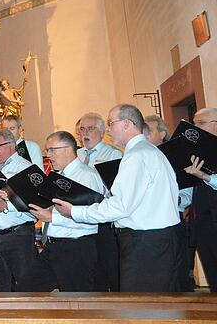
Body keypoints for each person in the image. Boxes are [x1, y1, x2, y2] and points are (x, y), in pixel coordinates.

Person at [53, 104, 180, 292]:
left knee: (141, 307)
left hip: (145, 242)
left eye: (111, 123)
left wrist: (75, 211)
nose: (109, 130)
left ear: (127, 124)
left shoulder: (137, 156)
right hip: (160, 238)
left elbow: (120, 206)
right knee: (157, 304)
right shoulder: (150, 151)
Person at [21, 131, 105, 292]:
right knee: (26, 290)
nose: (48, 155)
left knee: (77, 301)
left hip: (76, 249)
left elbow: (91, 217)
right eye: (47, 151)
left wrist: (52, 217)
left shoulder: (86, 176)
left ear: (68, 149)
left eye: (52, 150)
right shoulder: (58, 176)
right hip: (54, 247)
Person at [0, 128, 36, 292]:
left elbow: (35, 205)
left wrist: (6, 207)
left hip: (18, 236)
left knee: (26, 287)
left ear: (12, 145)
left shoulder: (25, 169)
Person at [144, 115, 194, 292]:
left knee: (177, 271)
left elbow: (187, 193)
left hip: (172, 220)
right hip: (147, 225)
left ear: (163, 133)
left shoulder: (176, 156)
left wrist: (165, 197)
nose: (144, 135)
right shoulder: (139, 157)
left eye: (148, 131)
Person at [76, 112, 122, 292]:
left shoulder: (113, 153)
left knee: (109, 267)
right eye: (81, 129)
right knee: (90, 270)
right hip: (80, 218)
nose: (84, 133)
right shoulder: (75, 154)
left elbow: (114, 186)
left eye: (90, 129)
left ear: (102, 132)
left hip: (103, 220)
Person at [184, 107, 217, 291]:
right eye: (194, 124)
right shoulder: (197, 152)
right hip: (203, 225)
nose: (196, 128)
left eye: (201, 123)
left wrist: (206, 177)